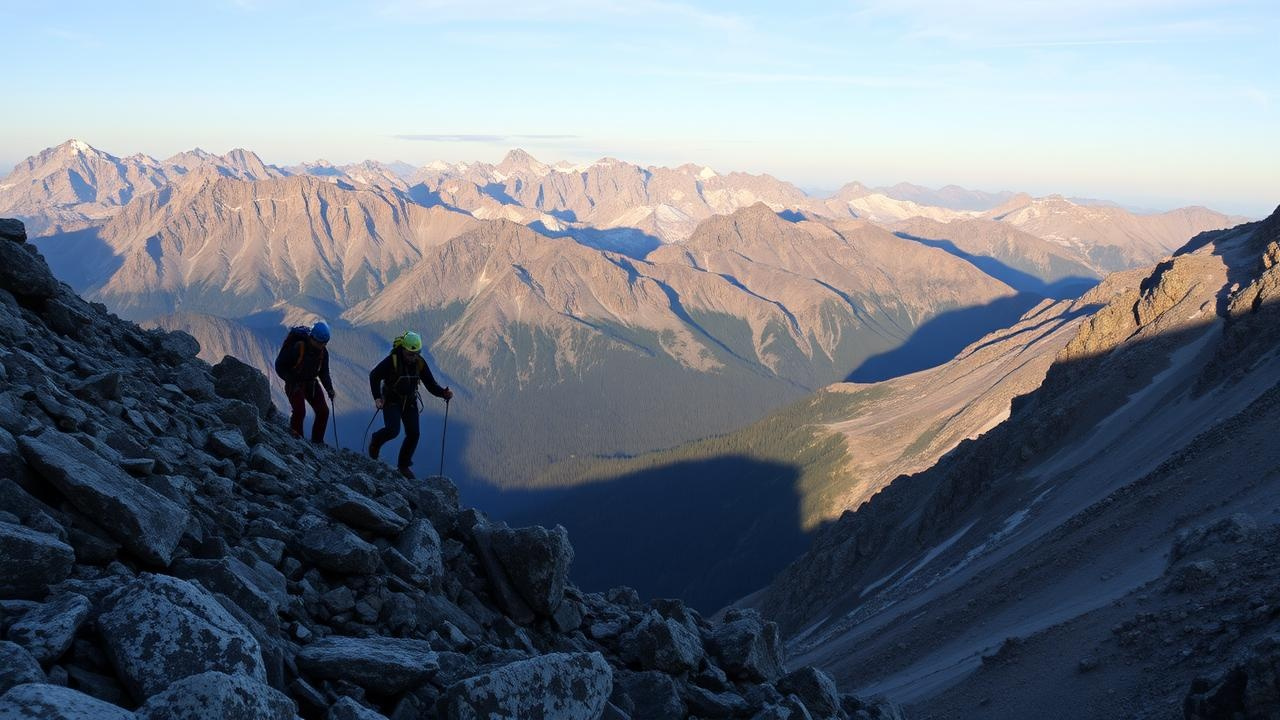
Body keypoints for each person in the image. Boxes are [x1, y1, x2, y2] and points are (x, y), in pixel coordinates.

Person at [368, 331, 453, 478]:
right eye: (410, 354)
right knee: (393, 430)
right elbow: (374, 375)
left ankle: (403, 466)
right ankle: (376, 440)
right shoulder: (392, 361)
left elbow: (430, 384)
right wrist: (377, 397)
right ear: (403, 349)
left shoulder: (419, 363)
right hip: (392, 400)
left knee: (414, 433)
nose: (413, 357)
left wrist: (443, 393)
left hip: (410, 401)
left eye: (416, 354)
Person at [280, 321, 335, 444]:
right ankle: (297, 441)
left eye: (325, 343)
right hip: (294, 383)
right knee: (300, 411)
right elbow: (280, 365)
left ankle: (317, 442)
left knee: (323, 412)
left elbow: (324, 372)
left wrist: (329, 389)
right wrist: (290, 379)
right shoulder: (298, 347)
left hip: (311, 383)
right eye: (321, 342)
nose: (323, 345)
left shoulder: (323, 352)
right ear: (313, 338)